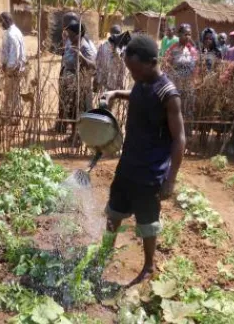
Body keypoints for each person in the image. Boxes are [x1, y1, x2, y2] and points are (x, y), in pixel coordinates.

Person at [101, 34, 186, 286]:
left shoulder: (169, 95)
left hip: (150, 171)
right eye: (130, 70)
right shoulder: (142, 82)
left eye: (135, 70)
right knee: (114, 210)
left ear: (151, 63)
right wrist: (116, 92)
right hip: (129, 162)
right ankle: (106, 250)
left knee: (147, 222)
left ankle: (149, 265)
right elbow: (138, 94)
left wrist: (170, 180)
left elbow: (180, 139)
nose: (133, 74)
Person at [55, 22, 96, 141]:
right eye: (68, 35)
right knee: (71, 109)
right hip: (69, 83)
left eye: (71, 35)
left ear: (79, 35)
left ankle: (80, 135)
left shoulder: (84, 47)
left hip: (80, 84)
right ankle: (74, 134)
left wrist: (81, 57)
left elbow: (93, 66)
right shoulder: (70, 43)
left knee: (80, 109)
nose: (69, 37)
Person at [164, 23, 197, 140]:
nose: (187, 37)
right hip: (175, 86)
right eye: (185, 34)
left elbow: (195, 69)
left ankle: (186, 137)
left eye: (189, 34)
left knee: (187, 110)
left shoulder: (192, 50)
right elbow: (166, 66)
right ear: (179, 35)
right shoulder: (172, 50)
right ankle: (172, 136)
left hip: (188, 86)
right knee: (174, 111)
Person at [0, 12, 26, 126]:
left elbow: (14, 53)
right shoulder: (16, 31)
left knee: (11, 93)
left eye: (1, 22)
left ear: (4, 21)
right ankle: (15, 116)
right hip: (17, 67)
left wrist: (9, 68)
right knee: (14, 93)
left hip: (13, 68)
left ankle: (13, 117)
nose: (0, 25)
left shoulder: (11, 34)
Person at [94, 25, 126, 92]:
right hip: (104, 80)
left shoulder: (123, 48)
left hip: (115, 81)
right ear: (110, 34)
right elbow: (97, 63)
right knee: (103, 100)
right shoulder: (103, 46)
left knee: (112, 100)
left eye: (118, 34)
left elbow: (124, 66)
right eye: (114, 34)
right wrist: (96, 79)